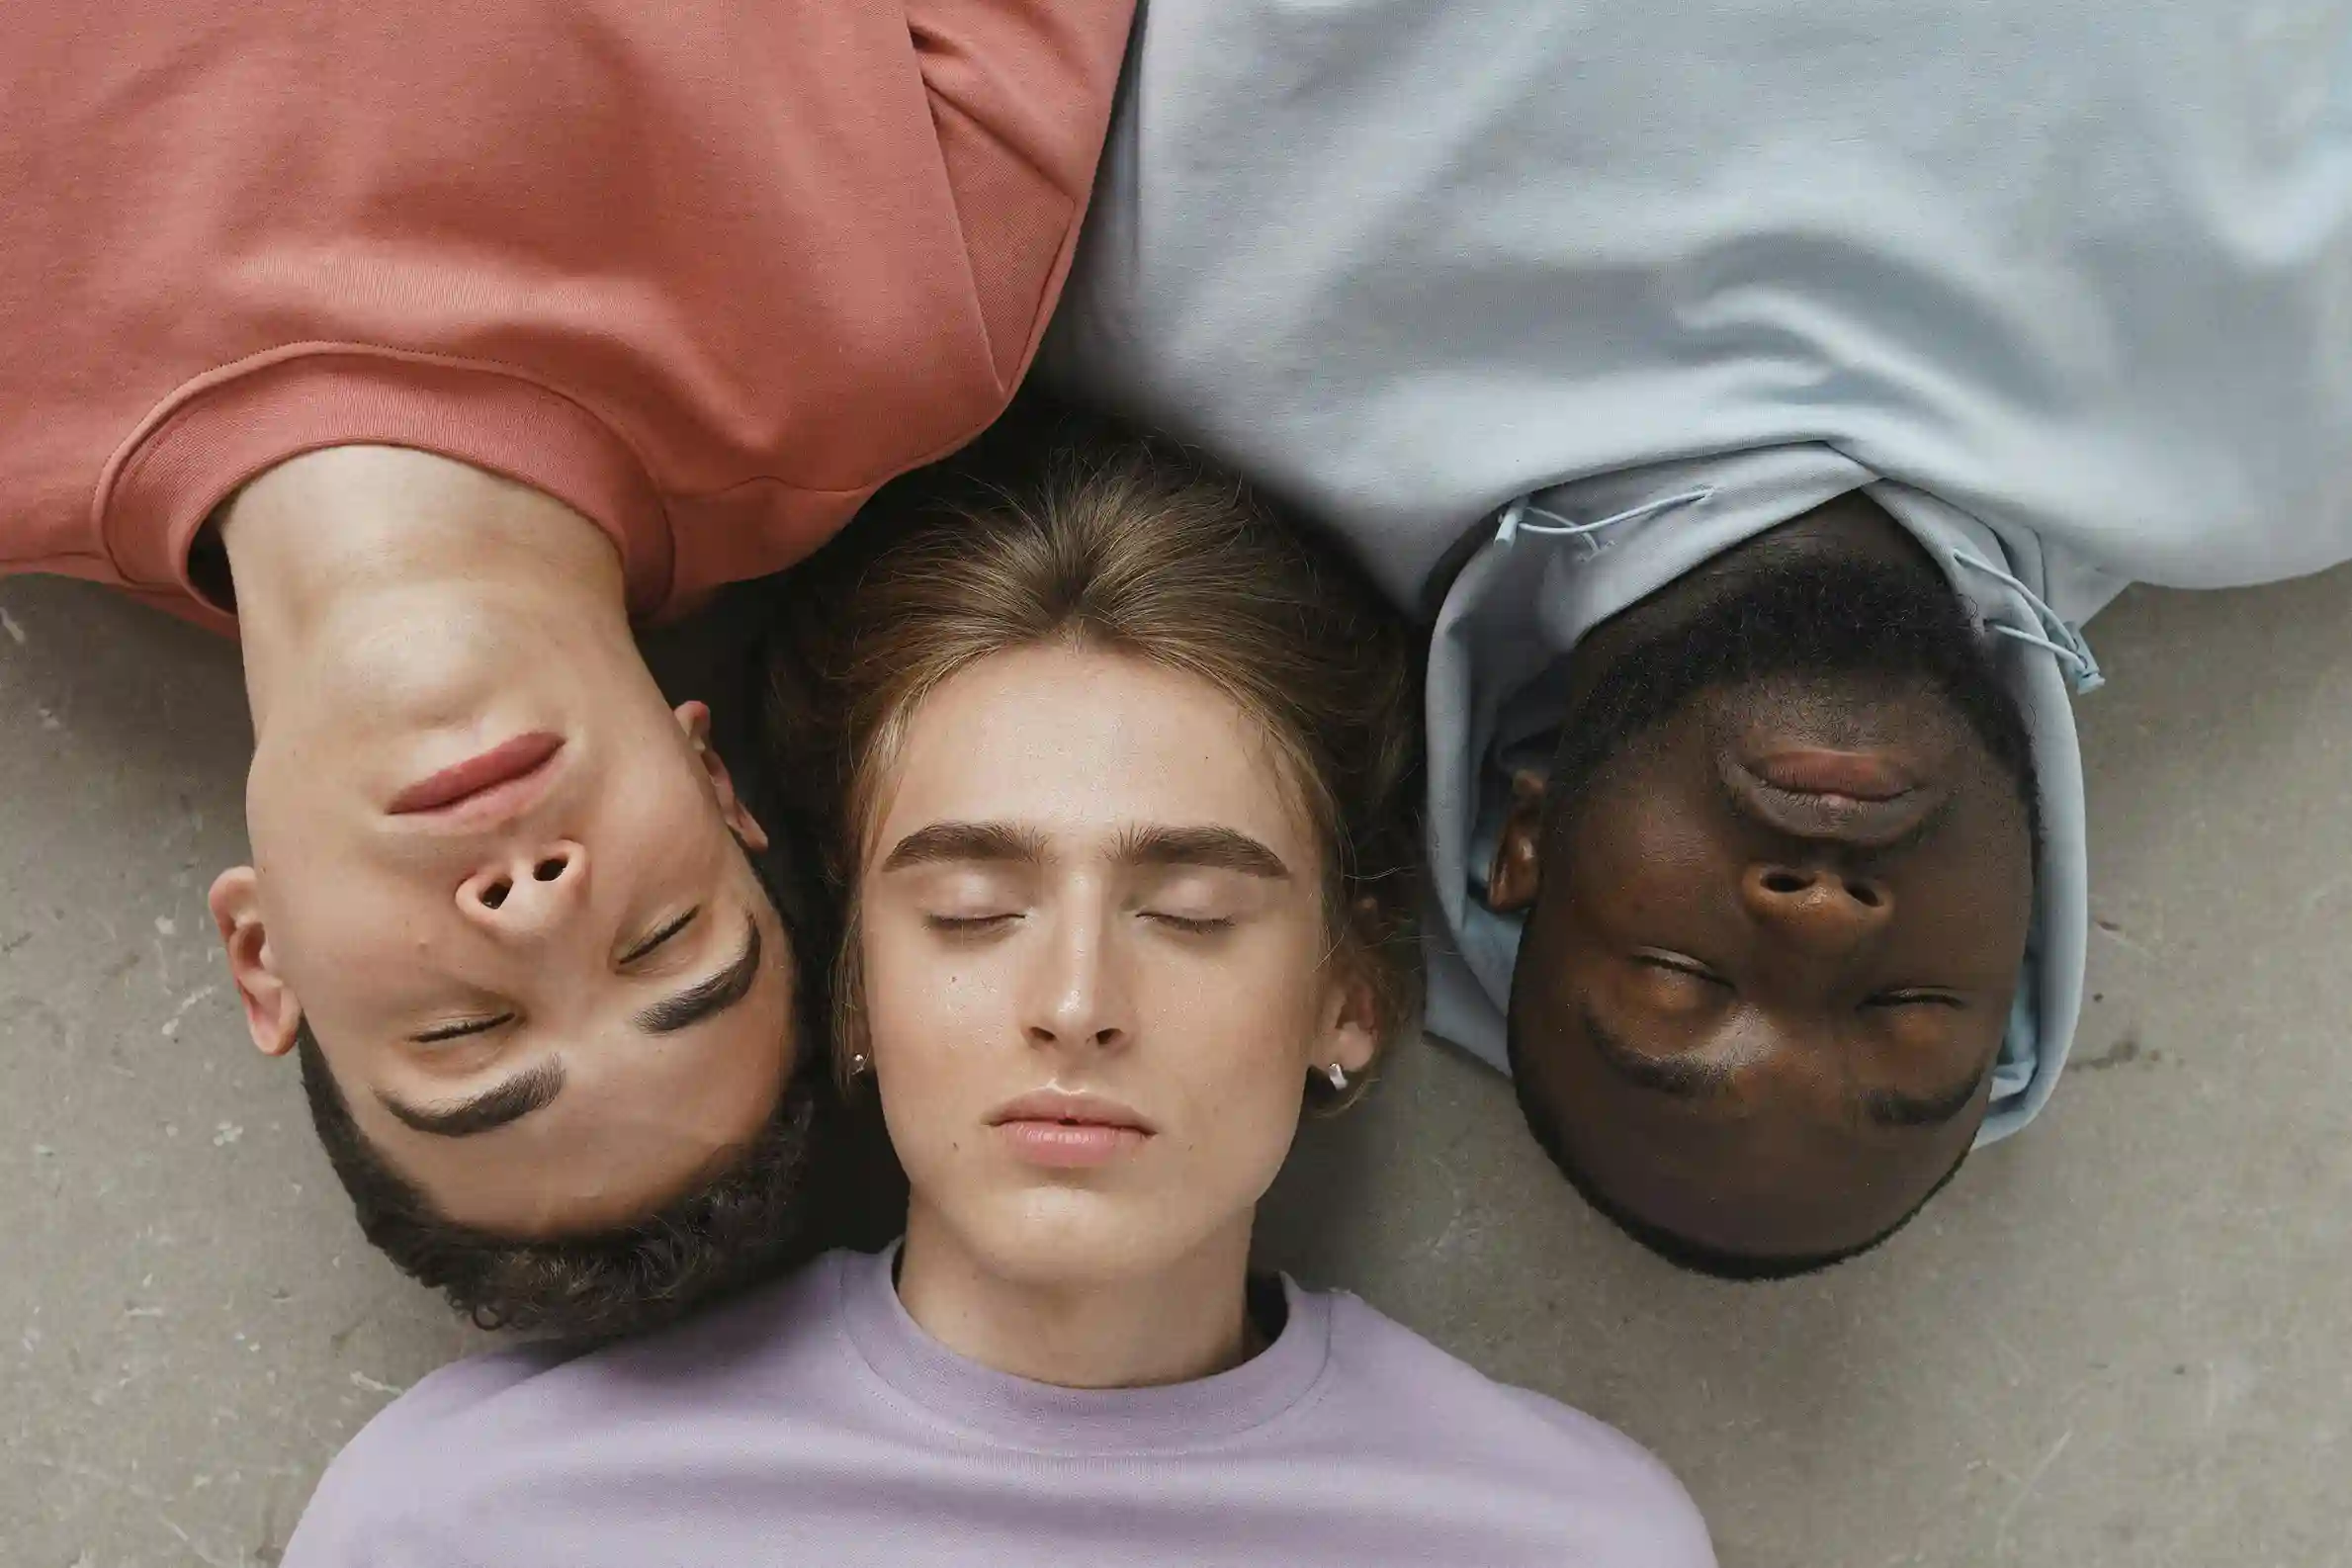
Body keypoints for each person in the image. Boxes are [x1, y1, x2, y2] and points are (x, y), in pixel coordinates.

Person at [1044, 0, 2352, 1274]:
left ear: (1524, 842)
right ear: (2028, 923)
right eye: (1902, 1011)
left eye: (1680, 975)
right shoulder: (2302, 426)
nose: (1821, 915)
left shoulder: (1200, 294)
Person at [275, 436, 1716, 1568]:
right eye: (969, 911)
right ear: (852, 982)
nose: (1076, 1000)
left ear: (1348, 992)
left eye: (1191, 912)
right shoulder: (472, 1523)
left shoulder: (1568, 1542)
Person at [0, 0, 1136, 1336]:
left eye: (460, 1031)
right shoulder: (893, 321)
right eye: (662, 941)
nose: (537, 908)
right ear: (713, 784)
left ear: (261, 955)